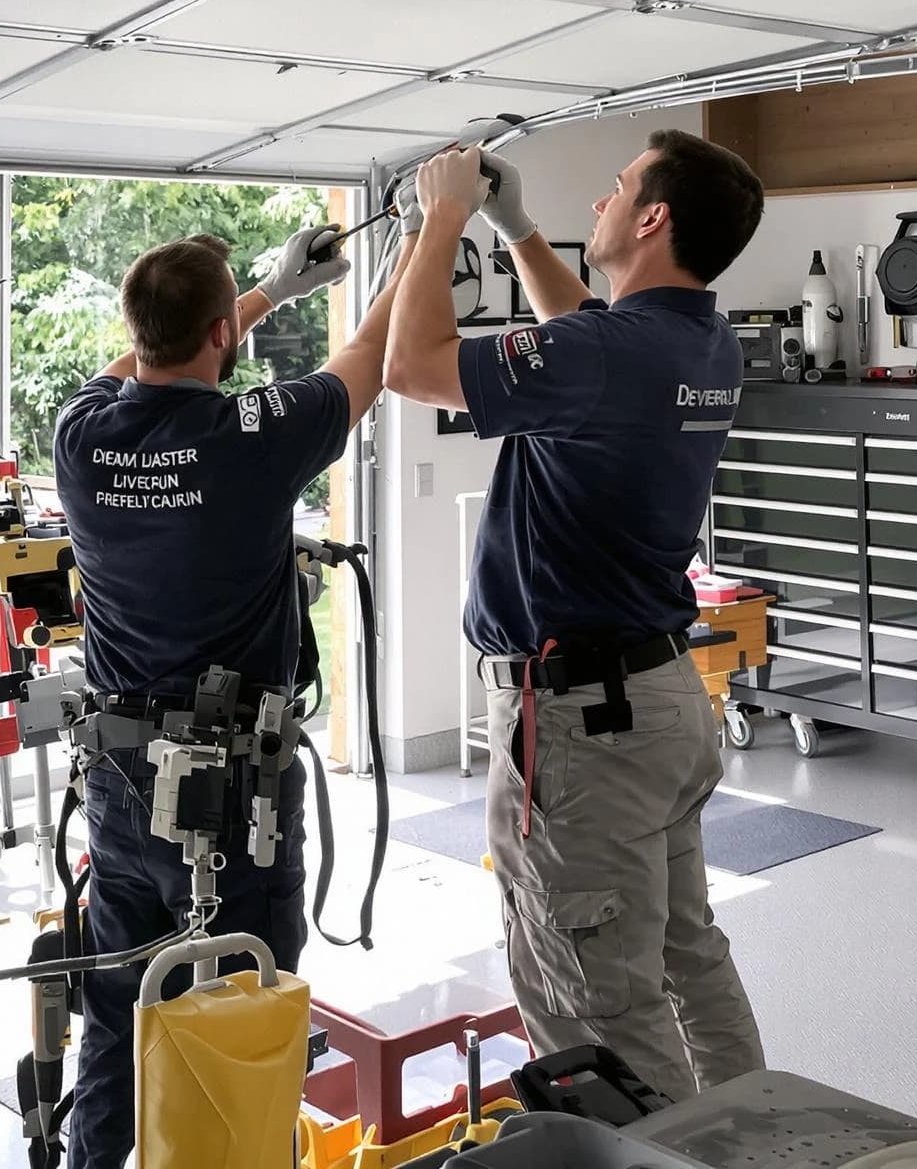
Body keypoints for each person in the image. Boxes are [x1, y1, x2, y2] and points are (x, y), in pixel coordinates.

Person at [385, 130, 767, 1101]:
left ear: (651, 219)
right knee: (689, 957)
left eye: (617, 187)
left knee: (597, 1005)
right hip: (660, 702)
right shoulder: (699, 341)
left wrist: (443, 220)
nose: (599, 200)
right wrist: (516, 226)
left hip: (587, 729)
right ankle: (752, 1142)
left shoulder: (607, 353)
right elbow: (592, 329)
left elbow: (413, 366)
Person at [54, 221, 411, 1169]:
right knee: (246, 1012)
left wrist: (257, 294)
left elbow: (144, 354)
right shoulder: (249, 438)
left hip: (121, 784)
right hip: (234, 796)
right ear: (220, 337)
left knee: (116, 1013)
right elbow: (367, 359)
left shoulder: (81, 433)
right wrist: (423, 237)